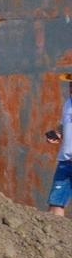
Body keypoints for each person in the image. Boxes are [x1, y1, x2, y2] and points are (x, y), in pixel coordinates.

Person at [44, 72, 72, 218]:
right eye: (70, 84)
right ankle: (52, 239)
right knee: (55, 206)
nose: (71, 88)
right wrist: (58, 134)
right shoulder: (68, 104)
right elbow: (64, 125)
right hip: (65, 162)